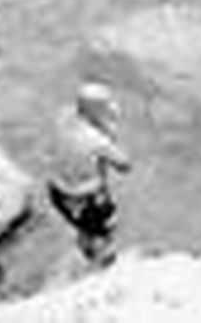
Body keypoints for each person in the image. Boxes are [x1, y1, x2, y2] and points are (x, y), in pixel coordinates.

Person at [49, 82, 130, 266]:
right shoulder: (96, 140)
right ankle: (104, 269)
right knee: (108, 227)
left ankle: (85, 254)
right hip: (85, 200)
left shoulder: (63, 117)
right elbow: (125, 165)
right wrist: (109, 136)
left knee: (85, 227)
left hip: (58, 194)